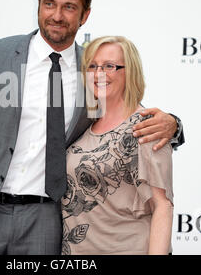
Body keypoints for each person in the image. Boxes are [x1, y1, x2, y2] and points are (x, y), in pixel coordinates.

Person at [0, 0, 183, 255]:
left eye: (69, 7)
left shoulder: (92, 69)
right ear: (39, 5)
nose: (57, 16)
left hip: (46, 221)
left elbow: (130, 116)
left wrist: (174, 124)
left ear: (85, 15)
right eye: (50, 4)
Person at [62, 36, 174, 255]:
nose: (99, 73)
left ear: (129, 71)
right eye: (93, 66)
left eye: (110, 66)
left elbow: (163, 206)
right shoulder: (85, 125)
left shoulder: (147, 126)